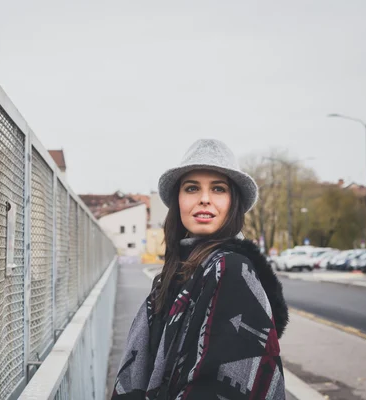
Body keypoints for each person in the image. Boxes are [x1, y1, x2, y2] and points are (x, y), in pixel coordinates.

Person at [111, 139, 289, 400]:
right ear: (178, 200)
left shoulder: (231, 269)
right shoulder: (176, 273)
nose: (204, 199)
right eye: (192, 188)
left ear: (233, 202)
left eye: (218, 189)